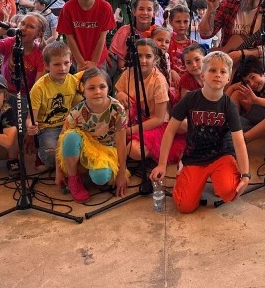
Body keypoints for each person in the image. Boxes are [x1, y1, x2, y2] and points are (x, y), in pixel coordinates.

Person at [151, 51, 250, 214]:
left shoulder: (229, 105)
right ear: (202, 75)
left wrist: (245, 175)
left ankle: (220, 177)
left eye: (223, 72)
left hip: (221, 155)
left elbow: (238, 140)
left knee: (230, 192)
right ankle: (183, 173)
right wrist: (162, 164)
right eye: (212, 70)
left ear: (228, 78)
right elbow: (170, 131)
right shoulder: (190, 99)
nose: (217, 75)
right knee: (185, 206)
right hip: (195, 156)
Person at [56, 68, 129, 203]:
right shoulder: (77, 112)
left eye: (102, 86)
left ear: (108, 88)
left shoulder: (117, 109)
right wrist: (59, 171)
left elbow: (120, 142)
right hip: (86, 149)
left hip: (106, 150)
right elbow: (61, 140)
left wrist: (122, 173)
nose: (97, 92)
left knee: (101, 178)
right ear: (83, 90)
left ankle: (90, 174)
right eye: (91, 88)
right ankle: (74, 179)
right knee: (70, 137)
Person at [115, 38, 185, 164]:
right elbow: (118, 96)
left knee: (134, 150)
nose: (143, 60)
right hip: (132, 120)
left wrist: (132, 130)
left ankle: (152, 150)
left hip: (154, 124)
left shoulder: (159, 81)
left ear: (155, 58)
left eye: (148, 56)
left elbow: (158, 119)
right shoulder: (128, 74)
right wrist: (119, 94)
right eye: (139, 56)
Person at [28, 41, 84, 170]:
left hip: (69, 124)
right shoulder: (39, 88)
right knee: (52, 154)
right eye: (57, 64)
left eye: (66, 63)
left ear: (71, 62)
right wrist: (30, 127)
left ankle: (67, 165)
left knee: (85, 148)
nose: (63, 68)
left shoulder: (75, 82)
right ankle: (42, 155)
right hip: (48, 128)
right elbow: (31, 118)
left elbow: (78, 107)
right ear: (47, 66)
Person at [0, 13, 46, 95]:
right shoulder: (10, 42)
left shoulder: (40, 54)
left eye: (30, 26)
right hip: (4, 92)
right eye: (22, 23)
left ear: (38, 34)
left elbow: (37, 87)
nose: (23, 28)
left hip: (26, 96)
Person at [57, 0, 115, 69]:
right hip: (77, 59)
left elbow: (102, 38)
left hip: (98, 60)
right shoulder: (68, 8)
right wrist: (80, 62)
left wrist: (94, 62)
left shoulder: (105, 7)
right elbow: (70, 39)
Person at [226, 56, 265, 142]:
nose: (252, 84)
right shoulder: (253, 87)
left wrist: (256, 100)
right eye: (247, 82)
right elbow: (224, 102)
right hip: (261, 119)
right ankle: (227, 128)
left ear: (263, 72)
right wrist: (232, 88)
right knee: (238, 93)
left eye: (253, 77)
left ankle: (244, 138)